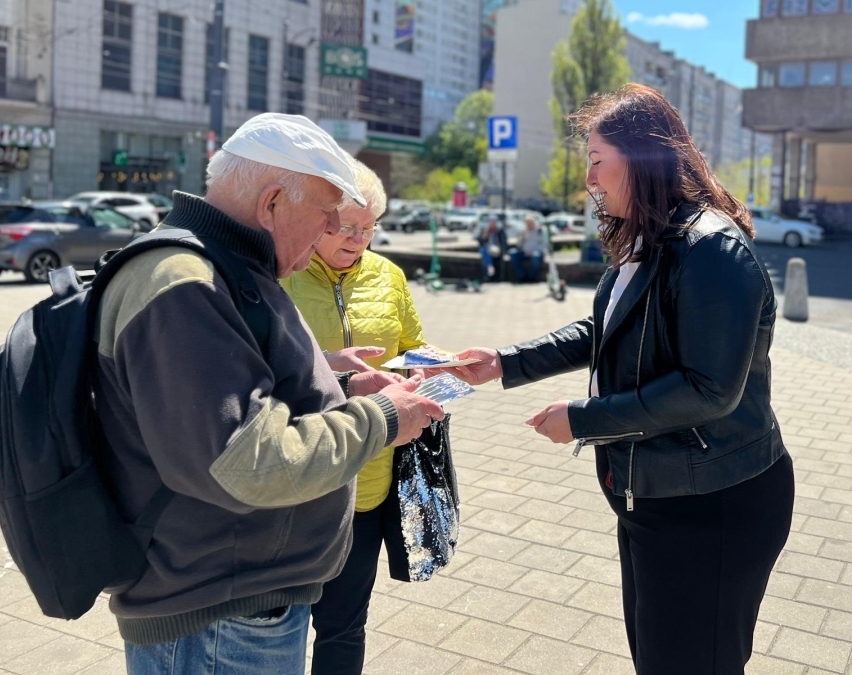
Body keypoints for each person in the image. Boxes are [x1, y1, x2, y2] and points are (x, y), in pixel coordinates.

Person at [445, 84, 793, 675]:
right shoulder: (651, 237)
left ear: (642, 157)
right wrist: (505, 361)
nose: (589, 180)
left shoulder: (710, 249)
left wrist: (583, 420)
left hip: (711, 506)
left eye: (596, 160)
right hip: (655, 498)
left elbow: (709, 389)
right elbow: (603, 328)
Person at [92, 113, 444, 675]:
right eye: (327, 216)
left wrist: (345, 387)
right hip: (217, 620)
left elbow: (241, 399)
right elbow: (246, 461)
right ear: (273, 202)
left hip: (235, 603)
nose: (332, 233)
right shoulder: (187, 282)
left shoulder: (224, 266)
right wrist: (381, 417)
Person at [281, 157, 427, 675]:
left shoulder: (389, 276)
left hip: (369, 479)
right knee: (279, 626)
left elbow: (412, 346)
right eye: (347, 226)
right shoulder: (281, 273)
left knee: (345, 625)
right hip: (296, 484)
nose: (358, 239)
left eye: (369, 228)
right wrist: (333, 370)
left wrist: (426, 369)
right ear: (319, 219)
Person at [510, 215, 546, 283]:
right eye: (527, 223)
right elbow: (519, 245)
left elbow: (544, 244)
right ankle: (523, 276)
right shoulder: (524, 232)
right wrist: (522, 238)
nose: (529, 225)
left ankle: (532, 277)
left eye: (530, 223)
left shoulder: (540, 231)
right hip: (524, 252)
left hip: (536, 252)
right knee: (512, 253)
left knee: (536, 256)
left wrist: (532, 251)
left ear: (534, 223)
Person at [474, 213, 507, 282]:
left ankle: (488, 273)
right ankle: (490, 268)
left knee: (485, 252)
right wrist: (484, 237)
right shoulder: (485, 230)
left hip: (497, 249)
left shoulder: (500, 231)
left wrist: (503, 251)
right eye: (491, 222)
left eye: (493, 222)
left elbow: (503, 242)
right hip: (488, 249)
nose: (492, 224)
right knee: (484, 250)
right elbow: (479, 241)